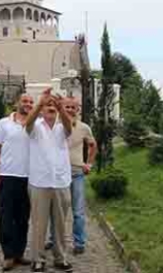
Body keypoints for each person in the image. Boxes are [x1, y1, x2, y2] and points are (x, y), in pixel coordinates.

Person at [25, 89, 74, 272]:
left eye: (53, 105)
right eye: (48, 106)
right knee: (39, 223)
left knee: (60, 224)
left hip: (61, 181)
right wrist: (40, 102)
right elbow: (27, 123)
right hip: (40, 182)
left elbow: (70, 127)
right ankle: (38, 259)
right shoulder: (35, 126)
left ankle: (60, 258)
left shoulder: (63, 127)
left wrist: (61, 106)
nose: (51, 108)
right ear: (42, 109)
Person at [46, 96, 96, 255]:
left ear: (77, 110)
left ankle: (79, 242)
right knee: (57, 211)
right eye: (66, 107)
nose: (69, 110)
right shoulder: (55, 126)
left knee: (78, 212)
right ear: (62, 107)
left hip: (76, 174)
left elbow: (93, 145)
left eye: (72, 107)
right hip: (58, 176)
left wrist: (89, 163)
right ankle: (54, 240)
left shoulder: (84, 128)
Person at [0, 94, 34, 271]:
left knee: (23, 218)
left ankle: (19, 253)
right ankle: (8, 255)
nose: (28, 104)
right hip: (6, 176)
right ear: (17, 103)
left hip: (29, 178)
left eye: (31, 102)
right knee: (5, 216)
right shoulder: (3, 123)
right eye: (25, 101)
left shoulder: (36, 124)